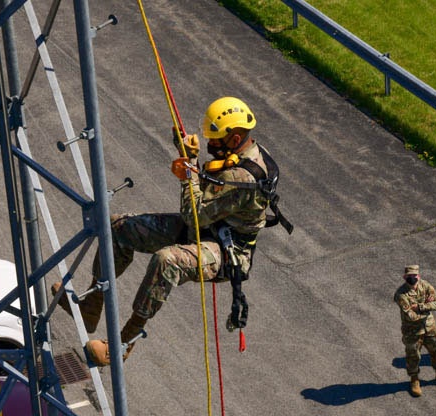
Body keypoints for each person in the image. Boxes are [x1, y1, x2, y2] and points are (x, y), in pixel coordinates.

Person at [53, 97, 290, 366]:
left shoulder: (243, 177)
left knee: (167, 261)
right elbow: (212, 192)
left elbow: (195, 215)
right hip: (211, 227)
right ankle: (91, 307)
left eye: (216, 141)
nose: (211, 146)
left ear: (234, 139)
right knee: (119, 228)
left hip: (225, 251)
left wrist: (188, 170)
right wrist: (190, 159)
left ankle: (123, 343)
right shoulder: (247, 153)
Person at [393, 264, 436, 397]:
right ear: (405, 277)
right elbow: (410, 316)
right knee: (413, 356)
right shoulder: (400, 294)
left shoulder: (426, 286)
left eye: (414, 276)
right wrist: (427, 308)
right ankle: (414, 380)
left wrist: (420, 307)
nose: (412, 278)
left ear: (418, 276)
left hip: (430, 328)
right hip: (412, 332)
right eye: (409, 276)